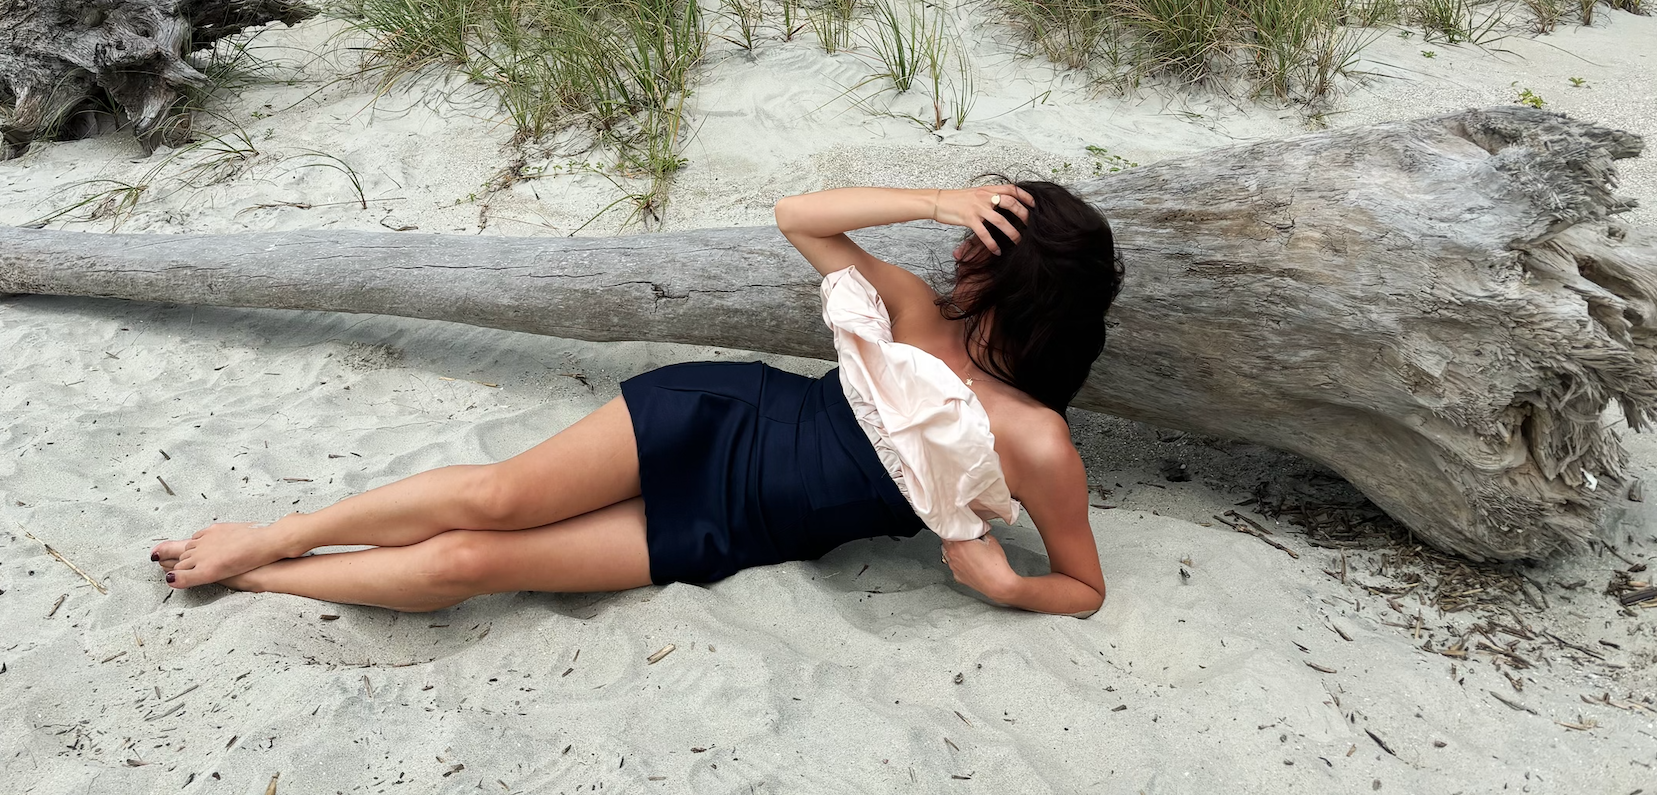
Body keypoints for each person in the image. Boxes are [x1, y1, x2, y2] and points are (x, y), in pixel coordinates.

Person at [150, 182, 1122, 616]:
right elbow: (798, 216)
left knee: (472, 559)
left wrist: (1007, 586)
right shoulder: (912, 308)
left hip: (735, 528)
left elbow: (1081, 587)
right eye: (969, 227)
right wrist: (935, 197)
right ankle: (273, 536)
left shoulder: (1037, 441)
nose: (958, 246)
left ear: (1019, 283)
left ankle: (255, 577)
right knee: (494, 496)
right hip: (710, 416)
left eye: (980, 240)